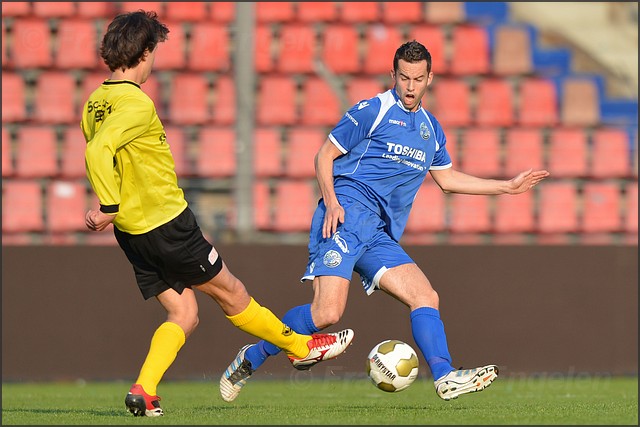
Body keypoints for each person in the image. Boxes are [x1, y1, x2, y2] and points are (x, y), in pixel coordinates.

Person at [219, 40, 550, 403]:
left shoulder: (430, 129)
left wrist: (505, 187)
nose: (410, 87)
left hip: (377, 233)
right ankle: (250, 359)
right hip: (344, 217)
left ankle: (444, 376)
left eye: (418, 79)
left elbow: (448, 179)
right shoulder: (373, 110)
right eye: (404, 77)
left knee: (426, 295)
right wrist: (331, 203)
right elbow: (324, 155)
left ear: (430, 78)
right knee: (326, 314)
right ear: (393, 75)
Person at [81, 10, 354, 417]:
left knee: (184, 313)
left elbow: (103, 152)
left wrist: (114, 209)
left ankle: (144, 389)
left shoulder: (94, 103)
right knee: (233, 294)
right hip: (167, 223)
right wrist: (108, 204)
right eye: (154, 51)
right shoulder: (136, 103)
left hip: (133, 233)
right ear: (145, 52)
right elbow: (98, 151)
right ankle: (300, 348)